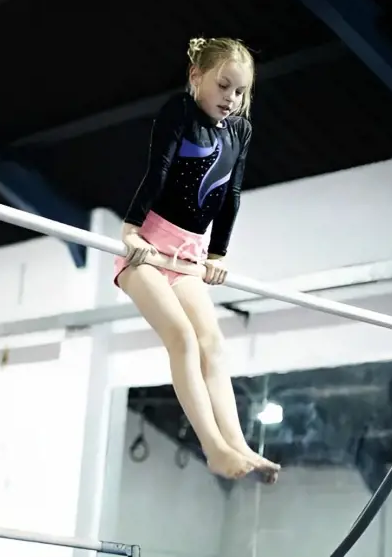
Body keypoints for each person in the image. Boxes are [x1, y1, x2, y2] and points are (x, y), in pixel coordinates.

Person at [114, 37, 280, 482]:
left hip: (186, 255)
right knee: (183, 338)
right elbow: (160, 169)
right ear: (196, 76)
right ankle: (213, 447)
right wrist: (131, 230)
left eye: (240, 92)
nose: (231, 98)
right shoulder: (179, 112)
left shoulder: (241, 131)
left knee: (213, 345)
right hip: (146, 252)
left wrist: (218, 253)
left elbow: (232, 196)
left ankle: (238, 444)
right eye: (224, 85)